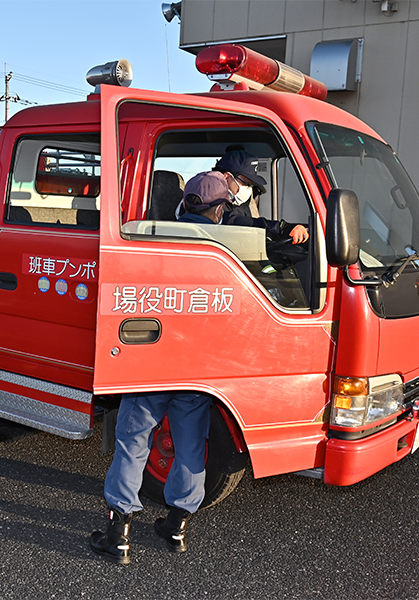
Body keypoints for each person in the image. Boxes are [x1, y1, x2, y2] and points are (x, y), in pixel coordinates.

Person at [89, 172, 226, 564]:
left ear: (184, 203)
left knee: (133, 445)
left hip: (153, 364)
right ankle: (177, 527)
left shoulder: (156, 238)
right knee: (189, 448)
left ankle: (119, 535)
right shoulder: (227, 249)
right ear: (219, 210)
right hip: (198, 371)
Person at [213, 150, 310, 245]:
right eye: (246, 183)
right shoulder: (210, 200)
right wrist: (281, 227)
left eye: (250, 184)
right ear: (226, 177)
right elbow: (234, 221)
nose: (248, 188)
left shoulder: (240, 201)